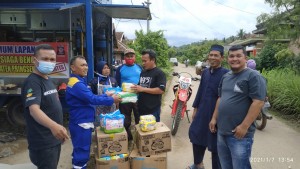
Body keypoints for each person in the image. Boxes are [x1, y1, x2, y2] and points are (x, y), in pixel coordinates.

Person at [209, 45, 267, 169]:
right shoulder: (226, 76)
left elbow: (258, 102)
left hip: (239, 135)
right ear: (227, 59)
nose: (234, 59)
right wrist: (214, 118)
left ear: (245, 58)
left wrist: (244, 126)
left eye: (238, 56)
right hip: (222, 132)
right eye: (231, 56)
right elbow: (220, 98)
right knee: (225, 166)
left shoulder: (253, 76)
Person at [66, 56, 121, 169]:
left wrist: (105, 95)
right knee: (82, 151)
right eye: (82, 65)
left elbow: (90, 97)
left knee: (80, 149)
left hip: (82, 120)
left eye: (86, 65)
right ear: (73, 67)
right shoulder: (77, 84)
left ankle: (78, 164)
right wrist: (111, 99)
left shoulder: (79, 81)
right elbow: (92, 99)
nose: (86, 67)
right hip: (81, 122)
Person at [21, 44, 70, 169]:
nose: (49, 62)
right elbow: (34, 109)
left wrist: (59, 129)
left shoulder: (48, 80)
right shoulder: (33, 82)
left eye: (52, 60)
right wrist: (54, 126)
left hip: (53, 140)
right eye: (45, 59)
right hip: (43, 143)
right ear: (34, 60)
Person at [188, 44, 229, 169]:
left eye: (216, 55)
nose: (213, 58)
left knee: (216, 145)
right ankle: (198, 164)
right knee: (196, 136)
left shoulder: (226, 74)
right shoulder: (205, 72)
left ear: (222, 58)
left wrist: (215, 118)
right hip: (202, 111)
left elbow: (224, 97)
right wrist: (195, 109)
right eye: (211, 55)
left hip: (217, 114)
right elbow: (200, 91)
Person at [131, 49, 166, 122]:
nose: (143, 63)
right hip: (141, 109)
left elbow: (161, 90)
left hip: (153, 110)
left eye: (145, 61)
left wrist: (143, 89)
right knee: (141, 131)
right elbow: (140, 86)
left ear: (153, 60)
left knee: (152, 132)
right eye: (142, 61)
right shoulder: (143, 72)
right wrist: (135, 88)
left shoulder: (159, 73)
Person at [115, 48, 142, 141]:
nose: (130, 58)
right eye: (127, 56)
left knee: (139, 118)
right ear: (124, 57)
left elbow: (143, 81)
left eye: (132, 56)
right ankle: (127, 138)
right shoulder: (120, 69)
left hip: (138, 98)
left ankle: (140, 138)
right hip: (125, 98)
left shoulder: (139, 67)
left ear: (135, 57)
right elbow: (117, 83)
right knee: (126, 119)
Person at [89, 61, 118, 126]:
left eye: (108, 68)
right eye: (104, 68)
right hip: (99, 109)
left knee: (111, 125)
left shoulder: (113, 80)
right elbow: (91, 96)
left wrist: (117, 106)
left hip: (111, 107)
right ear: (99, 69)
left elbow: (117, 93)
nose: (107, 70)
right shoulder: (94, 81)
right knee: (100, 126)